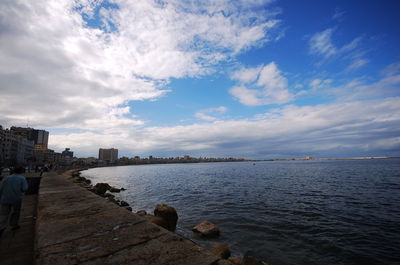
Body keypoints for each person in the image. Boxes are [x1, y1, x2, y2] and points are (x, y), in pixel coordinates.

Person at [0, 166, 28, 237]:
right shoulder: (22, 178)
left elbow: (1, 188)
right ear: (21, 171)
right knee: (16, 212)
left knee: (4, 214)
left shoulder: (6, 178)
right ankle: (14, 225)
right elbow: (25, 188)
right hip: (16, 199)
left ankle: (1, 227)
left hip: (5, 199)